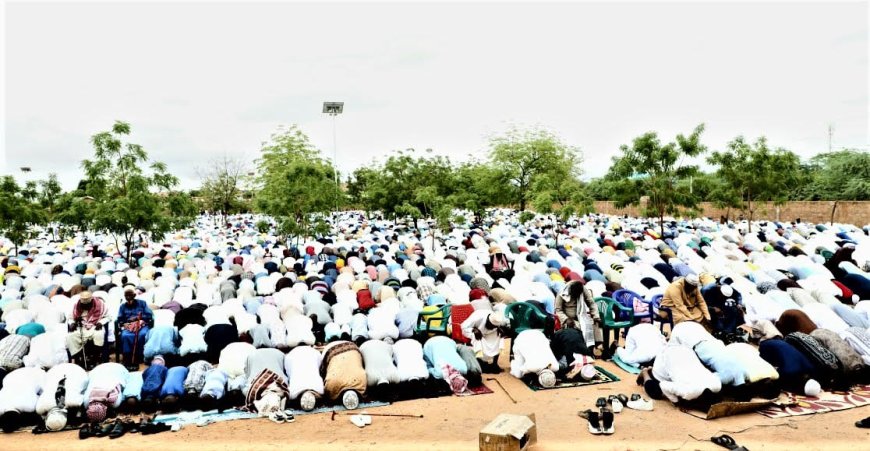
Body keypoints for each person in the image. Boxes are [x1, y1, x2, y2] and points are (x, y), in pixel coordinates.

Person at [66, 292, 108, 368]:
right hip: (81, 327)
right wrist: (72, 323)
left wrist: (101, 322)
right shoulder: (77, 306)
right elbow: (70, 318)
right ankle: (78, 358)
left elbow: (108, 317)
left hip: (95, 326)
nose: (85, 306)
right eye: (84, 305)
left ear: (91, 302)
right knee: (70, 336)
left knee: (99, 335)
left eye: (87, 305)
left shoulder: (100, 305)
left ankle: (95, 359)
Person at [555, 280, 601, 349]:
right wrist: (566, 319)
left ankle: (596, 346)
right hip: (569, 320)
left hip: (582, 316)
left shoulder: (583, 289)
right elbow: (558, 310)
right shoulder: (562, 292)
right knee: (581, 327)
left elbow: (591, 303)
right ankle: (585, 348)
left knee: (594, 323)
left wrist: (596, 316)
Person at [117, 287, 154, 370]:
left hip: (142, 325)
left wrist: (137, 318)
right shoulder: (123, 306)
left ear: (134, 295)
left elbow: (149, 315)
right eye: (126, 296)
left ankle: (139, 356)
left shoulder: (142, 303)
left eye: (130, 296)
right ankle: (128, 358)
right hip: (129, 326)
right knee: (125, 336)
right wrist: (125, 323)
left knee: (143, 334)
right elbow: (120, 318)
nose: (128, 298)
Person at [284, 346, 324, 411]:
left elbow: (288, 373)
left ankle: (306, 392)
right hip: (316, 387)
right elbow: (320, 368)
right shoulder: (316, 352)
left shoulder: (289, 355)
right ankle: (310, 392)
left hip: (298, 388)